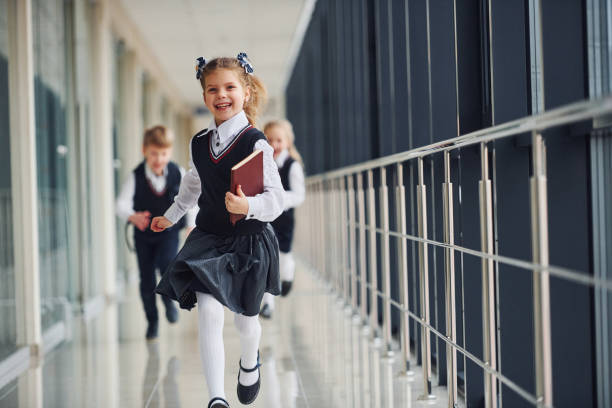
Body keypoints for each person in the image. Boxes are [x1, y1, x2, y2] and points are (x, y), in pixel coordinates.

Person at [150, 53, 283, 408]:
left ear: (245, 92)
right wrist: (173, 214)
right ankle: (216, 399)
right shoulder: (198, 142)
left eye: (229, 87)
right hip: (208, 238)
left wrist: (248, 207)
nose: (221, 94)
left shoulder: (256, 142)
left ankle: (249, 359)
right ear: (204, 95)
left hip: (248, 241)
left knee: (245, 324)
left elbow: (277, 201)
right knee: (208, 312)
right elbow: (194, 183)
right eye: (212, 89)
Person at [116, 125, 196, 340]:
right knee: (146, 280)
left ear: (169, 152)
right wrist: (133, 216)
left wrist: (190, 224)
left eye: (163, 154)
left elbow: (189, 201)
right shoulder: (136, 176)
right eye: (154, 154)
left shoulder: (178, 173)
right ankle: (152, 321)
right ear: (144, 151)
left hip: (168, 233)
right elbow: (121, 204)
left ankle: (168, 302)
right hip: (143, 236)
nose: (158, 159)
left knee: (167, 267)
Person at [259, 120, 305, 319]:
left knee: (284, 255)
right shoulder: (261, 163)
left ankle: (288, 274)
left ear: (287, 142)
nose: (274, 145)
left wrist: (280, 200)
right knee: (267, 260)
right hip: (265, 220)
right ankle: (268, 303)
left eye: (279, 140)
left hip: (284, 218)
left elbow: (299, 195)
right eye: (269, 140)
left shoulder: (292, 166)